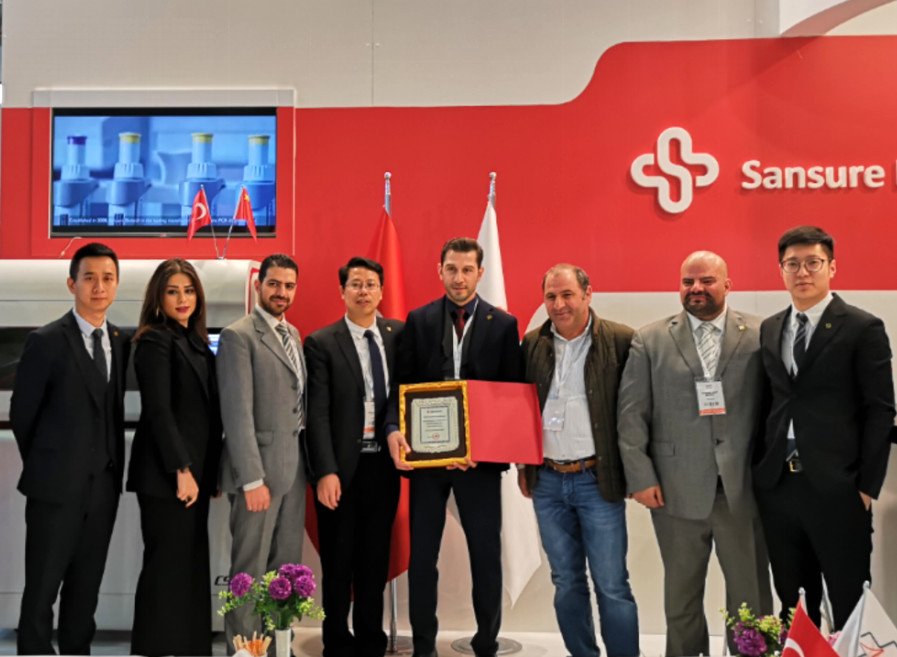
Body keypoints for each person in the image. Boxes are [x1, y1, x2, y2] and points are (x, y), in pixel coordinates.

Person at [617, 251, 772, 657]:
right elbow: (631, 416)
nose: (696, 288)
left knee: (751, 596)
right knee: (681, 597)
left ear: (728, 285)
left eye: (706, 280)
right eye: (688, 281)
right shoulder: (650, 339)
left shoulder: (761, 334)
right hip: (674, 491)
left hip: (743, 490)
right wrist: (641, 477)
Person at [385, 237, 524, 657]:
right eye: (451, 269)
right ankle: (423, 647)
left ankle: (486, 643)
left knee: (486, 555)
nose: (459, 278)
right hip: (427, 460)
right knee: (423, 558)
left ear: (480, 273)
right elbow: (402, 384)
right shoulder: (419, 320)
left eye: (466, 270)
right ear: (440, 270)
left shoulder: (504, 324)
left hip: (480, 464)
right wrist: (393, 427)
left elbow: (511, 397)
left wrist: (484, 449)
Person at [754, 226, 895, 629]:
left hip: (839, 488)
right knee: (793, 602)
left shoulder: (862, 327)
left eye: (813, 263)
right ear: (781, 270)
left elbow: (880, 410)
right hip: (780, 486)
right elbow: (768, 403)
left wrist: (866, 487)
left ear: (831, 267)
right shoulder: (771, 327)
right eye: (792, 264)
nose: (802, 272)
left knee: (849, 599)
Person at [10, 242, 131, 655]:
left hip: (103, 490)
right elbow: (23, 415)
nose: (99, 286)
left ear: (116, 284)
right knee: (42, 588)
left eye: (108, 278)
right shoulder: (46, 341)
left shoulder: (119, 340)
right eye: (89, 277)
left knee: (86, 587)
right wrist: (50, 466)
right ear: (72, 284)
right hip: (55, 490)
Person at [518, 264, 639, 657]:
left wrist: (638, 472)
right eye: (551, 297)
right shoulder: (532, 344)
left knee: (612, 584)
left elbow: (637, 413)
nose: (559, 304)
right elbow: (520, 410)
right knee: (566, 581)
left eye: (567, 294)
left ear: (588, 294)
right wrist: (523, 467)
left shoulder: (621, 340)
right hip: (547, 481)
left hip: (596, 480)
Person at [306, 256, 404, 657]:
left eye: (371, 284)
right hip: (341, 471)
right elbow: (316, 414)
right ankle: (335, 641)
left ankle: (370, 641)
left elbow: (404, 393)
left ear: (381, 291)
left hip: (383, 466)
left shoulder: (398, 335)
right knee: (338, 561)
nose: (364, 291)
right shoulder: (322, 342)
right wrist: (325, 471)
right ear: (342, 291)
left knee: (374, 560)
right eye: (356, 284)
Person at [127, 258, 222, 656]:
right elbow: (160, 412)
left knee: (191, 565)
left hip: (196, 475)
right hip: (167, 475)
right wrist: (182, 469)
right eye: (172, 291)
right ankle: (152, 649)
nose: (183, 298)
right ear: (158, 297)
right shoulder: (154, 340)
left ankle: (190, 647)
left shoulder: (196, 342)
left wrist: (210, 472)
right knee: (165, 568)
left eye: (188, 290)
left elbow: (209, 415)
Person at [217, 253, 308, 651]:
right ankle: (244, 651)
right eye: (274, 284)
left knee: (285, 569)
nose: (281, 292)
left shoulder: (294, 335)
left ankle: (277, 647)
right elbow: (237, 414)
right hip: (258, 475)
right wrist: (252, 478)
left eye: (288, 285)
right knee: (248, 572)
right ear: (258, 285)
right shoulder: (238, 336)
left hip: (294, 471)